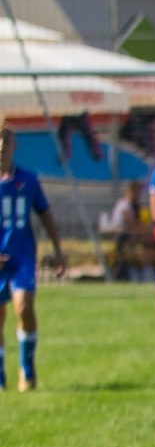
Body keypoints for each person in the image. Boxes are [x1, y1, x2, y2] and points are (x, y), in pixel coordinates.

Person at [0, 125, 64, 391]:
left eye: (6, 145)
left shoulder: (27, 180)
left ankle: (27, 368)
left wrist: (58, 250)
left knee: (24, 308)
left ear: (14, 147)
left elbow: (45, 213)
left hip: (22, 257)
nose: (2, 150)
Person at [109, 180, 152, 281]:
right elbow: (131, 225)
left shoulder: (135, 206)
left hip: (132, 237)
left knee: (150, 245)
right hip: (122, 238)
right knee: (146, 245)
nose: (138, 195)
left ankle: (146, 271)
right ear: (129, 192)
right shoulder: (124, 205)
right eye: (136, 192)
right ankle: (143, 272)